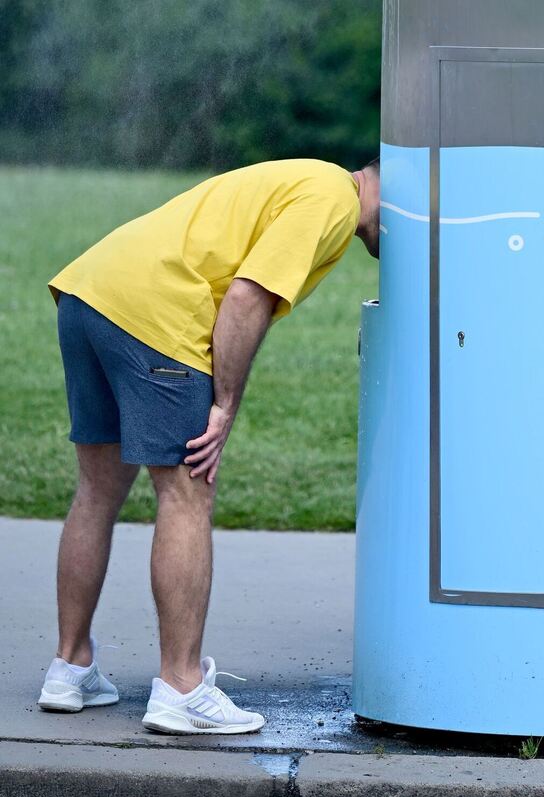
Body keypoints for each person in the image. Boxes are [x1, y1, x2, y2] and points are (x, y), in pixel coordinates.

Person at [38, 157, 381, 734]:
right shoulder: (334, 201)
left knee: (96, 490)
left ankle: (69, 668)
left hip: (89, 295)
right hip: (156, 316)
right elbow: (247, 298)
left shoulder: (308, 176)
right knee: (186, 493)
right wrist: (224, 403)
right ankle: (182, 687)